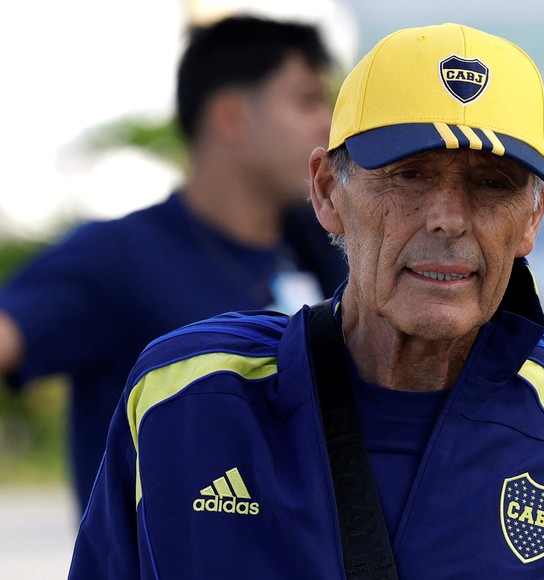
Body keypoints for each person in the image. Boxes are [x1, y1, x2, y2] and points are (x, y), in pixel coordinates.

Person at [68, 23, 544, 579]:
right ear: (328, 193)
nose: (447, 218)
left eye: (490, 183)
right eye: (410, 175)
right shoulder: (185, 401)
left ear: (534, 216)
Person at [0, 15, 346, 513]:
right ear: (232, 117)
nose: (328, 124)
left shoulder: (329, 246)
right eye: (307, 100)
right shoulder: (121, 255)